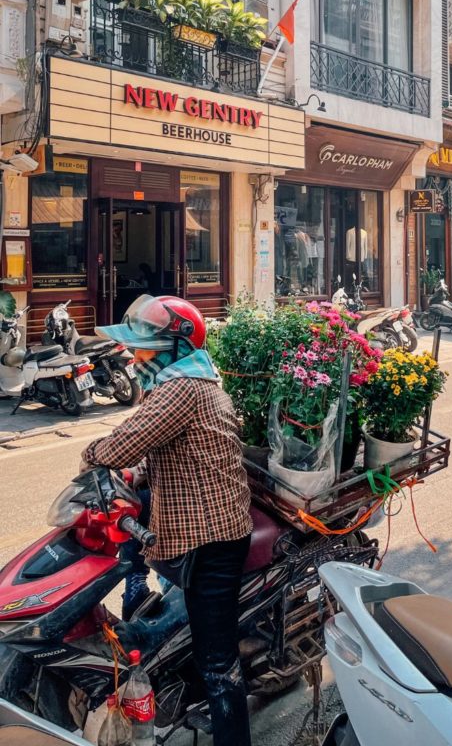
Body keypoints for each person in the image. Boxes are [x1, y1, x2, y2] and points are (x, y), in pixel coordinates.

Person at [81, 295, 253, 746]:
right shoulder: (186, 379)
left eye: (146, 348)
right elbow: (157, 451)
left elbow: (123, 442)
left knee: (218, 664)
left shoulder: (183, 390)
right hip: (192, 526)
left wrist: (91, 458)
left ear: (175, 347)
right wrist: (133, 473)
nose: (135, 357)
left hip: (211, 537)